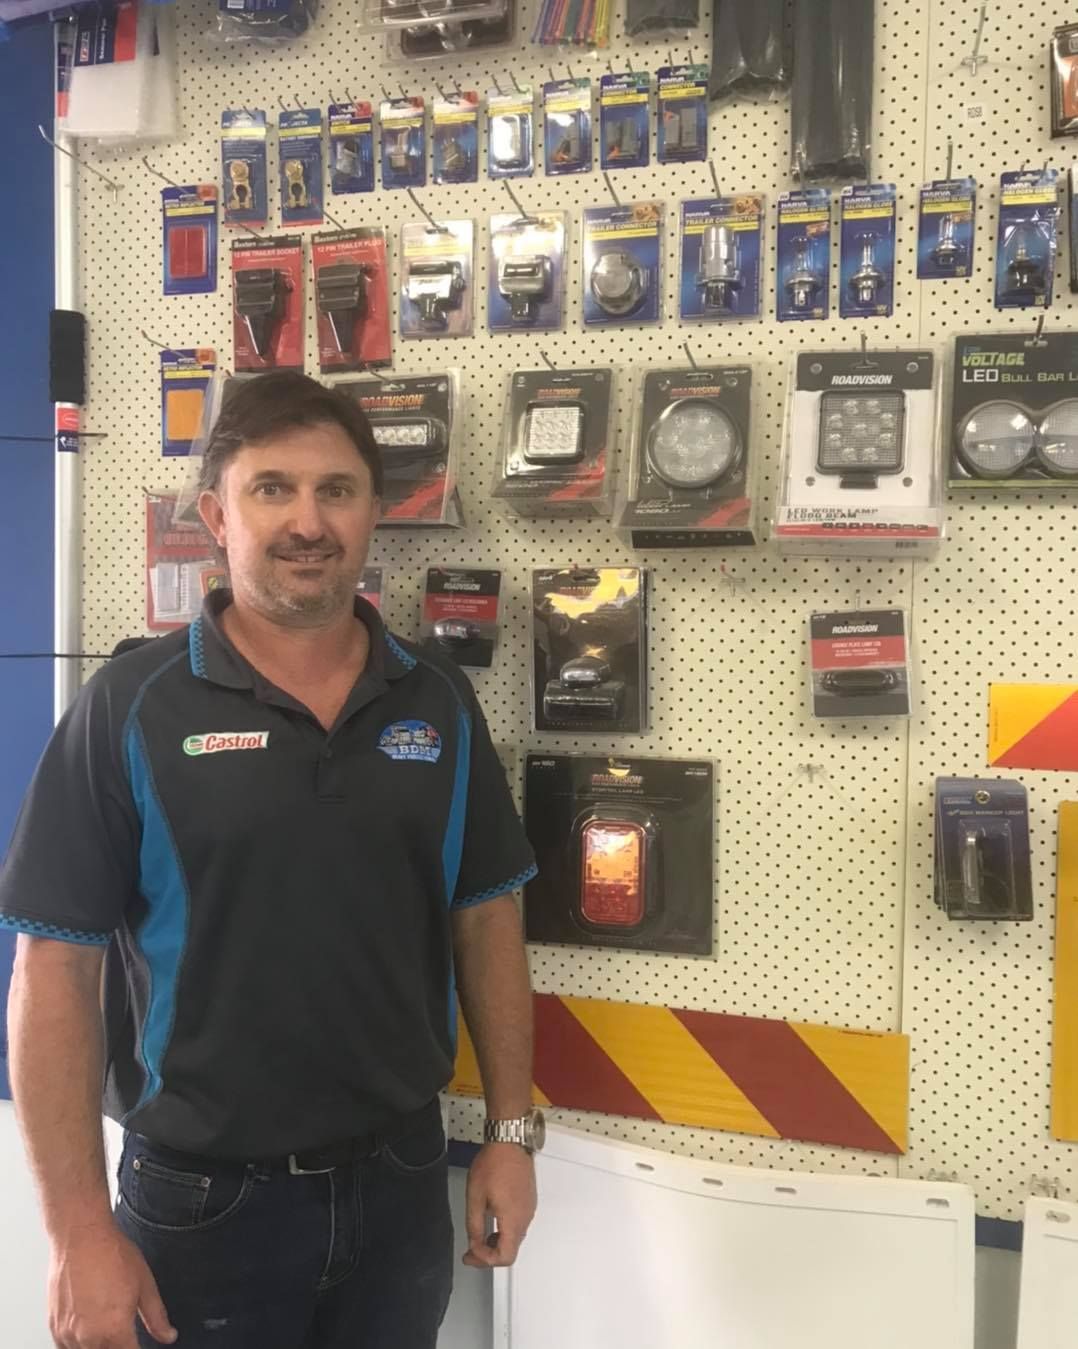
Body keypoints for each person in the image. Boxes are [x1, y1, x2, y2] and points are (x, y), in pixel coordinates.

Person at [0, 371, 543, 1349]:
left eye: (336, 489)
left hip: (403, 1185)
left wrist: (509, 1131)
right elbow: (54, 970)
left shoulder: (439, 702)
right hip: (202, 1206)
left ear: (376, 511)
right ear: (215, 512)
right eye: (272, 488)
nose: (308, 520)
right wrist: (79, 1229)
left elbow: (487, 921)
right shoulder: (129, 707)